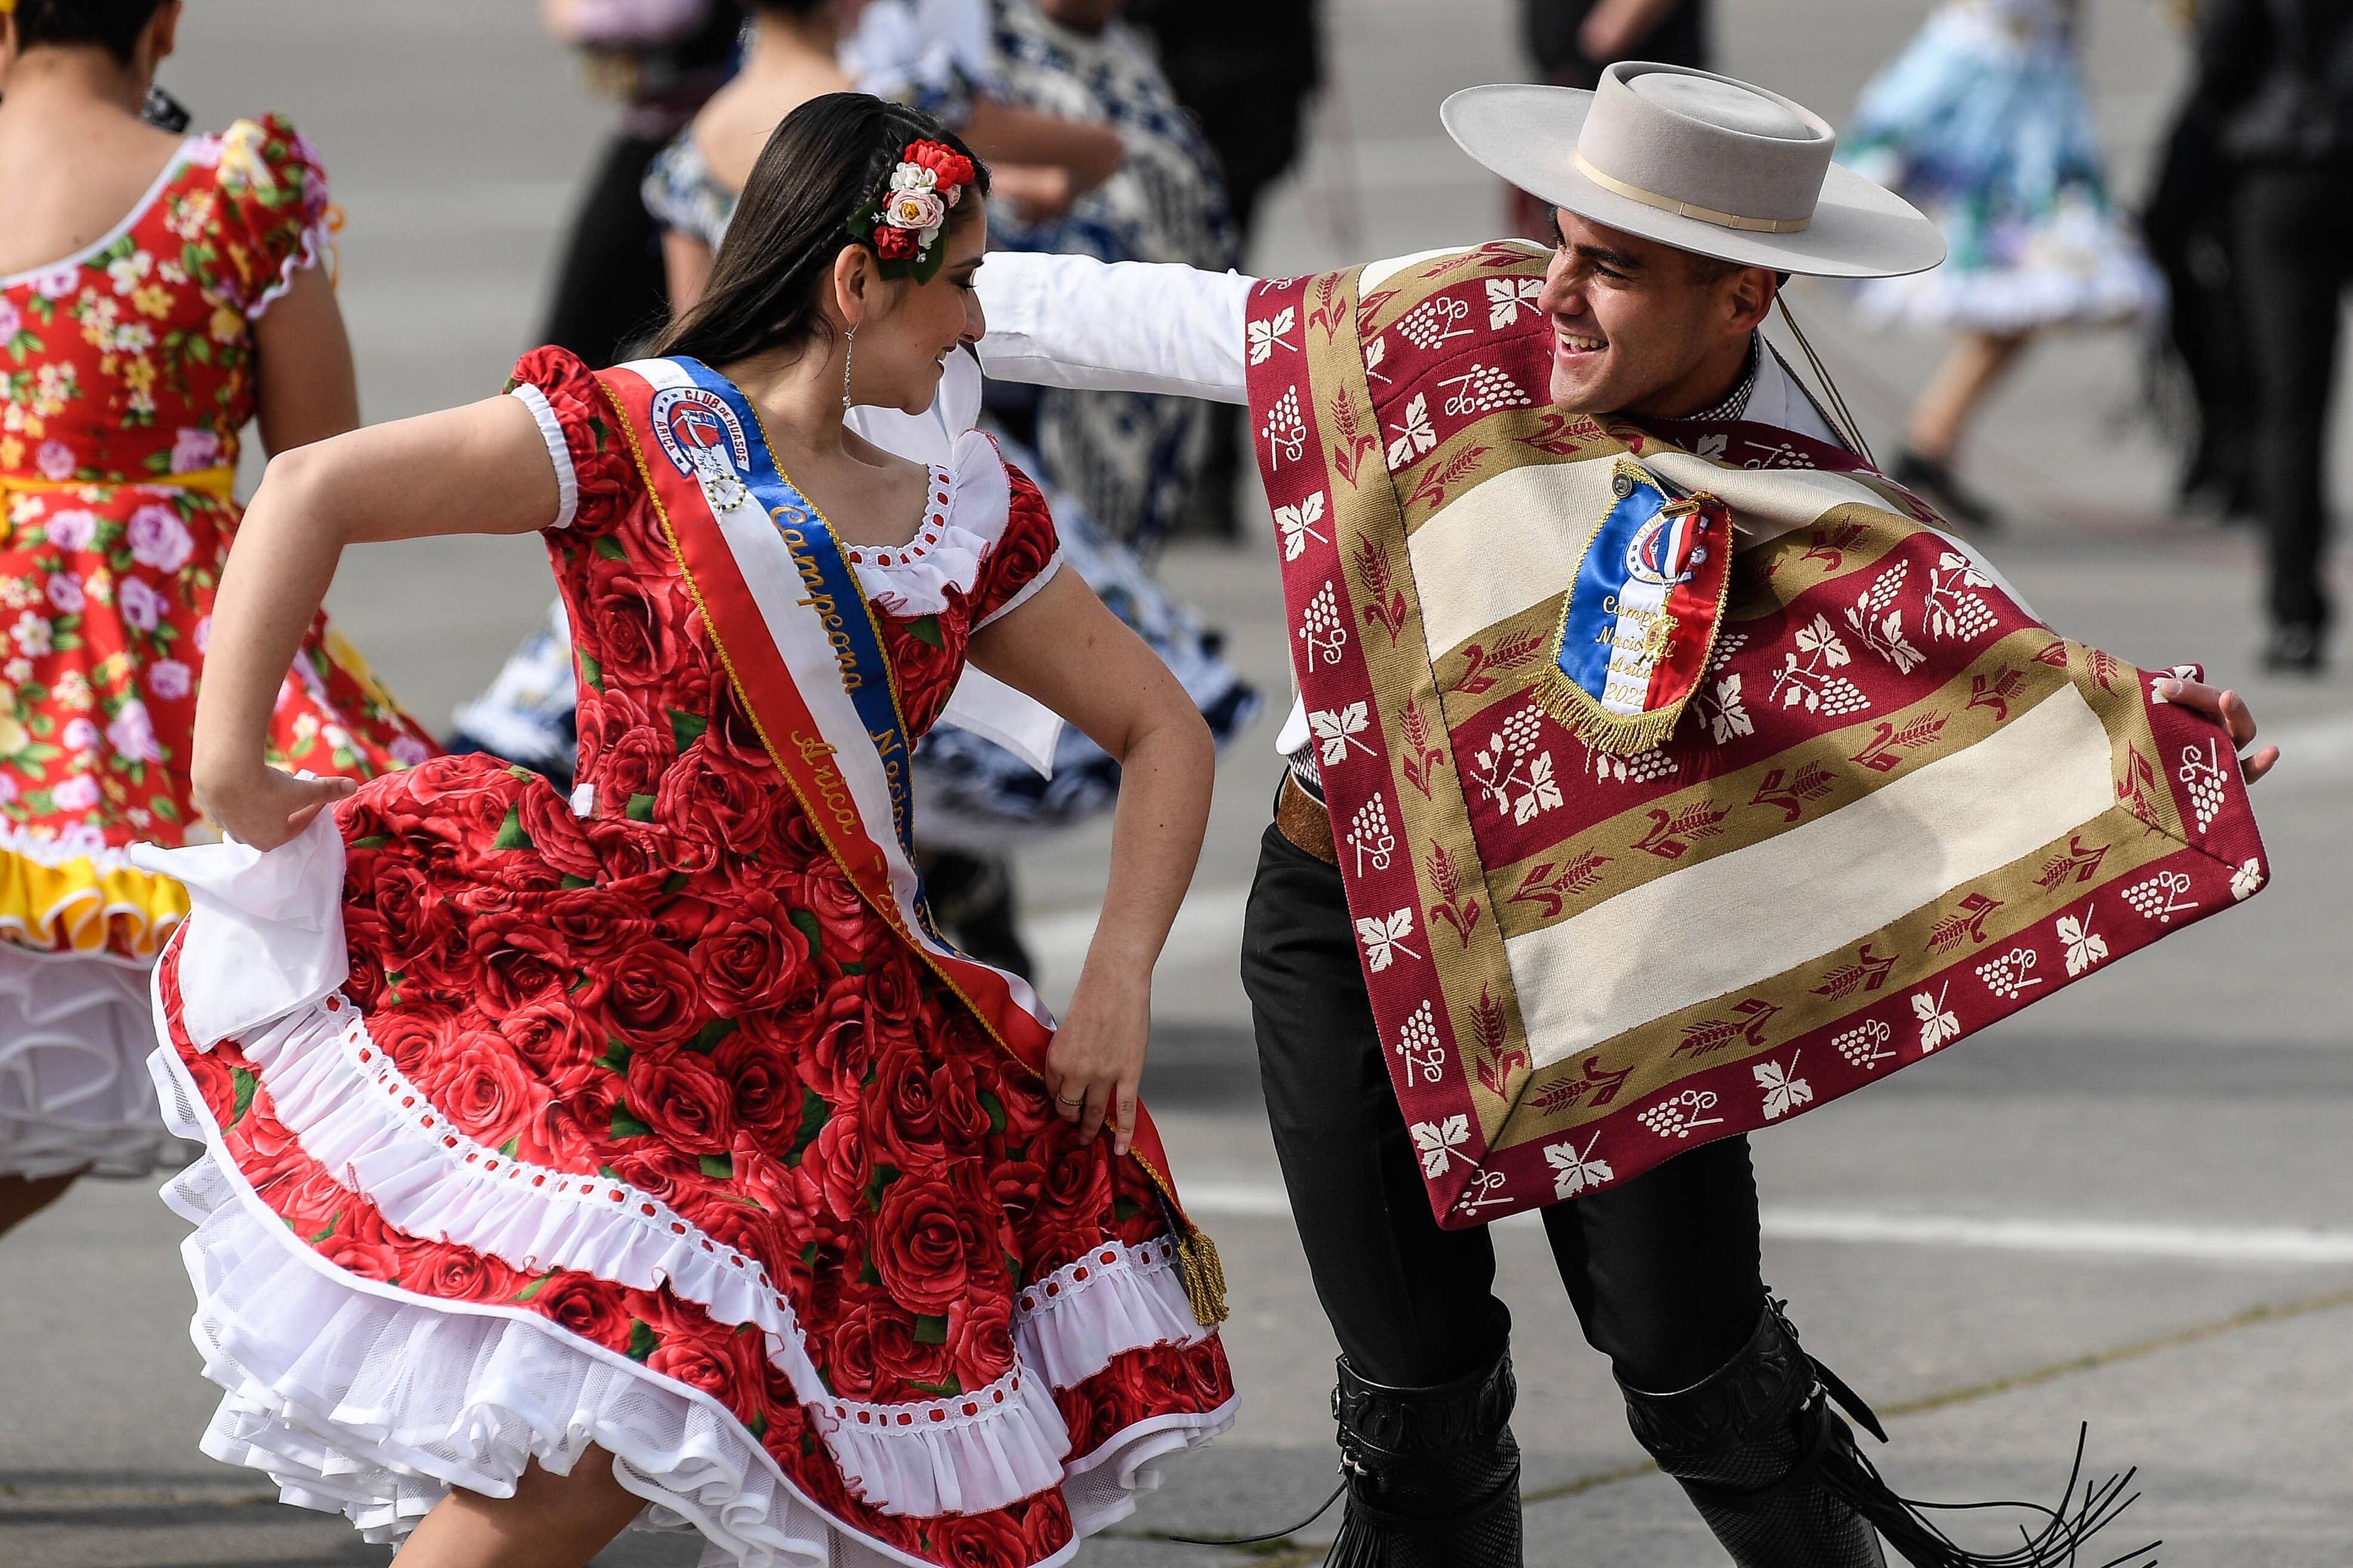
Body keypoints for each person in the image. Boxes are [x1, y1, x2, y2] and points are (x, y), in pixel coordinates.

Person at [966, 62, 2280, 1565]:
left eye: (1617, 267)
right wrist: (882, 289)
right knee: (1412, 1398)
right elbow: (1168, 321)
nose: (1562, 294)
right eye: (1564, 241)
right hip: (1345, 915)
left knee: (1699, 1369)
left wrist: (2135, 732)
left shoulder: (1804, 481)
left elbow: (1967, 644)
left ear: (1742, 301)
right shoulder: (1440, 321)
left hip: (1619, 951)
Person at [138, 95, 1234, 1568]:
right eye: (961, 278)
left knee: (867, 1487)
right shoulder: (628, 432)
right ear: (857, 285)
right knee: (585, 1452)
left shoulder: (963, 505)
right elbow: (311, 485)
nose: (979, 318)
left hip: (854, 1042)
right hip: (636, 1004)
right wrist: (229, 768)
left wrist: (1116, 976)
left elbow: (1162, 726)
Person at [0, 0, 432, 1238]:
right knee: (327, 1012)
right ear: (165, 24)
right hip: (169, 672)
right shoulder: (231, 193)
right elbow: (322, 464)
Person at [1841, 0, 2164, 530]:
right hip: (1990, 107)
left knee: (2030, 296)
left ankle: (1930, 444)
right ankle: (1927, 445)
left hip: (2031, 99)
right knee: (2027, 289)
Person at [2182, 0, 2353, 675]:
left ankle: (2295, 618)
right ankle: (2293, 611)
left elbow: (2220, 49)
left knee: (2288, 407)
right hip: (2296, 157)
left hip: (2284, 164)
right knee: (2289, 407)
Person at [535, 0, 743, 369]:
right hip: (695, 131)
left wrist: (573, 13)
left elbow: (664, 16)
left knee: (566, 361)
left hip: (687, 136)